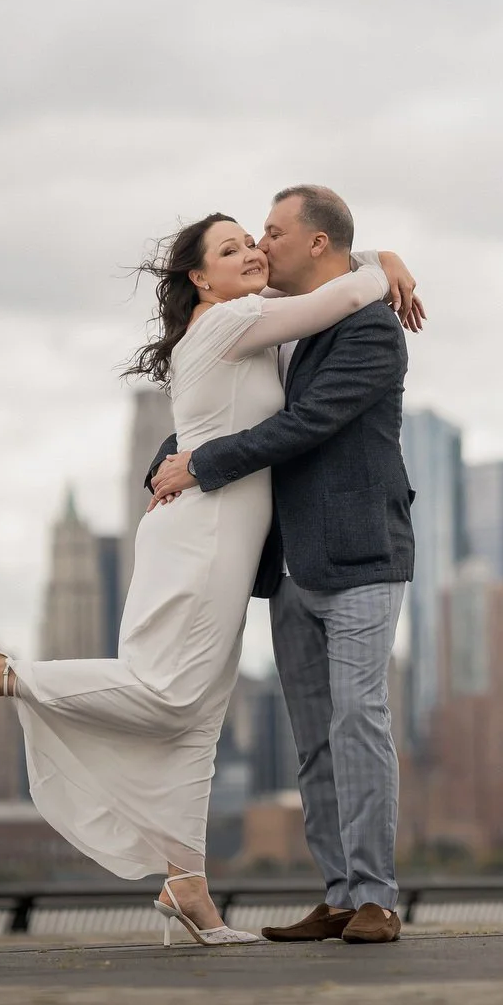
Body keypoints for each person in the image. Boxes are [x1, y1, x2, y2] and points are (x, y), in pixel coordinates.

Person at [0, 210, 413, 947]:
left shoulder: (245, 317)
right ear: (199, 278)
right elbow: (336, 297)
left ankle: (188, 887)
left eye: (259, 239)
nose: (253, 250)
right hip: (204, 538)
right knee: (169, 692)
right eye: (234, 246)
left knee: (199, 718)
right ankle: (2, 673)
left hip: (232, 541)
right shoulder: (229, 322)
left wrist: (375, 254)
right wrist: (385, 265)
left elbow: (316, 299)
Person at [147, 184, 418, 945]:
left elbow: (304, 426)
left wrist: (198, 468)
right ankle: (337, 893)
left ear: (317, 244)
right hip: (290, 567)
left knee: (359, 718)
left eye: (272, 231)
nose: (260, 245)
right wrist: (169, 463)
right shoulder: (271, 327)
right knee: (313, 739)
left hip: (361, 554)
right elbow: (224, 409)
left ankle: (376, 898)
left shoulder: (370, 330)